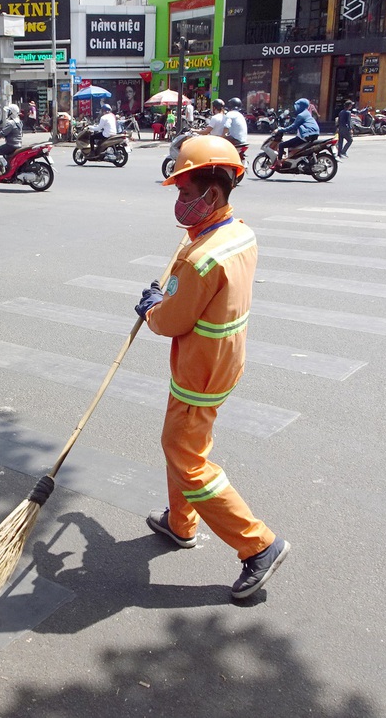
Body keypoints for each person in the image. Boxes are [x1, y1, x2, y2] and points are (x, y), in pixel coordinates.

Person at [136, 134, 290, 601]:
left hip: (200, 371)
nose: (180, 204)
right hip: (223, 360)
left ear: (214, 194)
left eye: (186, 194)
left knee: (184, 453)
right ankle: (180, 523)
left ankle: (258, 544)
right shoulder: (238, 232)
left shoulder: (200, 258)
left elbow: (171, 321)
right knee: (184, 442)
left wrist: (151, 308)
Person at [275, 97, 319, 167]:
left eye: (297, 106)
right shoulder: (307, 113)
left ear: (301, 106)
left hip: (306, 135)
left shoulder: (301, 115)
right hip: (312, 134)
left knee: (281, 145)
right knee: (292, 145)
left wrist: (280, 129)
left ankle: (279, 162)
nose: (296, 108)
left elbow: (293, 127)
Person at [0, 103, 22, 174]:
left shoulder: (11, 123)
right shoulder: (19, 122)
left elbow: (2, 133)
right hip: (18, 144)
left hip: (11, 145)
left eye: (8, 111)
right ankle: (5, 168)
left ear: (11, 113)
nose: (6, 113)